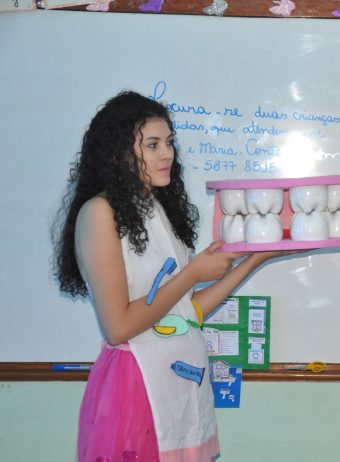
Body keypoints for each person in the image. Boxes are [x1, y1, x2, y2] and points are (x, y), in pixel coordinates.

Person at [54, 91, 295, 461]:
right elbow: (119, 327)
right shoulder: (99, 213)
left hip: (179, 387)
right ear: (117, 152)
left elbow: (185, 313)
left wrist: (255, 260)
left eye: (169, 142)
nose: (167, 154)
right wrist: (192, 273)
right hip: (136, 387)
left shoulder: (155, 209)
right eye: (152, 145)